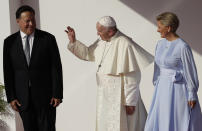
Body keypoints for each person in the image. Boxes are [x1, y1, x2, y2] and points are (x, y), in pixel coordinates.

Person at [65, 16, 153, 131]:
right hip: (104, 94)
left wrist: (130, 101)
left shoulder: (125, 43)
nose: (97, 33)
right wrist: (73, 41)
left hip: (120, 96)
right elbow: (87, 54)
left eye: (100, 31)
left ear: (110, 31)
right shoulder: (102, 41)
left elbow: (132, 77)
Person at [3, 5, 63, 131]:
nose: (31, 23)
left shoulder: (48, 39)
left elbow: (56, 68)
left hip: (46, 98)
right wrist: (11, 97)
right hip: (22, 99)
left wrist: (57, 93)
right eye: (27, 21)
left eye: (33, 20)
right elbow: (8, 71)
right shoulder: (9, 42)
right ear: (18, 21)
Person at [144, 12, 202, 131]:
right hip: (162, 88)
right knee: (161, 115)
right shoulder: (160, 44)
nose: (157, 30)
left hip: (178, 89)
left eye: (160, 27)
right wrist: (156, 81)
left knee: (177, 118)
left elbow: (190, 71)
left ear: (168, 28)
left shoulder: (182, 46)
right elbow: (157, 66)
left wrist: (192, 94)